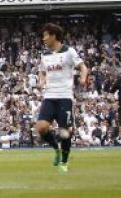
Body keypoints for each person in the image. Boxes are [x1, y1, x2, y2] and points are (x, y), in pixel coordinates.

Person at [34, 22, 88, 172]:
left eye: (45, 35)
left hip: (65, 96)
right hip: (49, 95)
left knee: (65, 132)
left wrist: (83, 78)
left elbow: (83, 67)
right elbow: (43, 71)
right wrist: (41, 82)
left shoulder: (69, 52)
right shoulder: (45, 55)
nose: (43, 39)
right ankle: (56, 149)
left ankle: (64, 162)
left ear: (54, 36)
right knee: (41, 127)